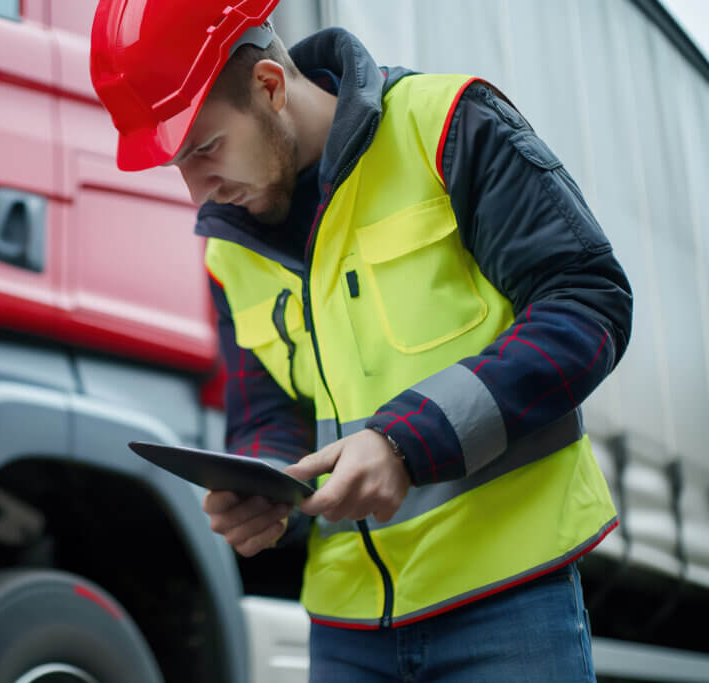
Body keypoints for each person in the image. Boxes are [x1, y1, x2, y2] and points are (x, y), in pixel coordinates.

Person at [90, 1, 633, 681]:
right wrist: (264, 492)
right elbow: (268, 417)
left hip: (507, 599)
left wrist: (407, 442)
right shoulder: (229, 252)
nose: (197, 190)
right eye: (177, 163)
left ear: (269, 86)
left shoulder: (447, 129)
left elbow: (589, 301)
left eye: (203, 148)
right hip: (348, 628)